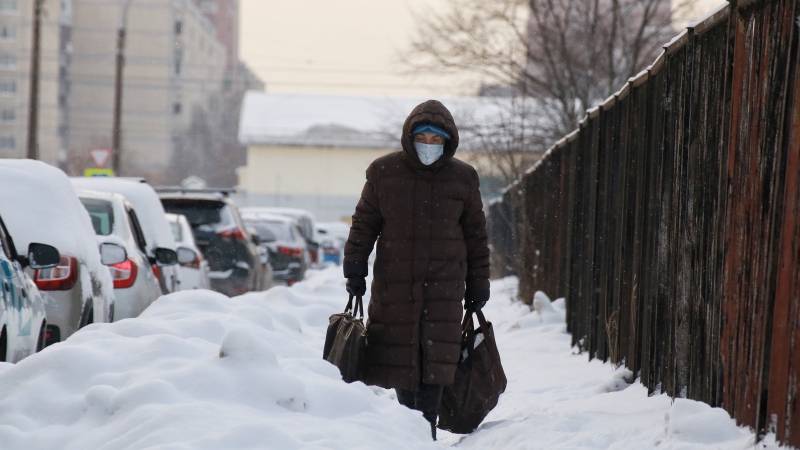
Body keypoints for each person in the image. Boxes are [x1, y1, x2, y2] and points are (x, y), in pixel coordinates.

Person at [343, 100, 490, 440]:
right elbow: (364, 225)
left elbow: (476, 238)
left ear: (447, 142)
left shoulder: (463, 178)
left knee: (435, 374)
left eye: (436, 139)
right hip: (395, 292)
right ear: (410, 137)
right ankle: (410, 438)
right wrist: (355, 270)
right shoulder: (383, 173)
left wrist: (478, 284)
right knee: (401, 374)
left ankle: (425, 436)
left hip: (444, 293)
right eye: (422, 137)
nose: (428, 145)